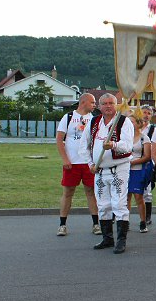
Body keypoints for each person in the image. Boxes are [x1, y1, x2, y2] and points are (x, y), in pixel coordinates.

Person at [79, 93, 134, 254]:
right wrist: (90, 164)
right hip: (100, 170)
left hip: (119, 168)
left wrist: (114, 145)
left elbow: (128, 146)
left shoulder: (123, 122)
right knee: (103, 205)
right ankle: (107, 238)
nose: (108, 106)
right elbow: (83, 146)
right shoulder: (93, 122)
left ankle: (121, 240)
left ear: (116, 105)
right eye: (105, 103)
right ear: (99, 106)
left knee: (119, 204)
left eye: (111, 103)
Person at [55, 93, 99, 237]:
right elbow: (59, 139)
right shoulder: (68, 117)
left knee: (91, 192)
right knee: (68, 192)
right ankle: (62, 225)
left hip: (88, 163)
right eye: (92, 102)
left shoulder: (94, 119)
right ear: (83, 102)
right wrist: (65, 159)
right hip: (72, 163)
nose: (95, 105)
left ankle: (96, 224)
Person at [127, 116, 152, 233]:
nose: (129, 124)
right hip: (125, 170)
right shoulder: (124, 137)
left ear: (138, 123)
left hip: (137, 170)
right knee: (126, 197)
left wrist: (133, 162)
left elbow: (147, 156)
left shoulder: (144, 138)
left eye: (132, 121)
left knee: (138, 196)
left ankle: (143, 221)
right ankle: (125, 221)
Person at [140, 105, 156, 227]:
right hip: (133, 160)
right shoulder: (133, 126)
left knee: (147, 190)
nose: (146, 115)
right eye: (144, 112)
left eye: (149, 113)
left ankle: (147, 217)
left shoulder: (153, 130)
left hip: (147, 163)